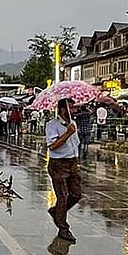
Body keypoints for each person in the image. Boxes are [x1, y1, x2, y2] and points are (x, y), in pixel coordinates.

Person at [46, 99, 81, 242]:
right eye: (70, 108)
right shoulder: (52, 125)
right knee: (63, 196)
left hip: (72, 162)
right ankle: (63, 228)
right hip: (58, 164)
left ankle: (57, 212)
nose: (74, 111)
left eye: (74, 108)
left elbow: (75, 144)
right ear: (62, 110)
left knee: (76, 194)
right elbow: (52, 146)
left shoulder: (73, 123)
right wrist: (67, 134)